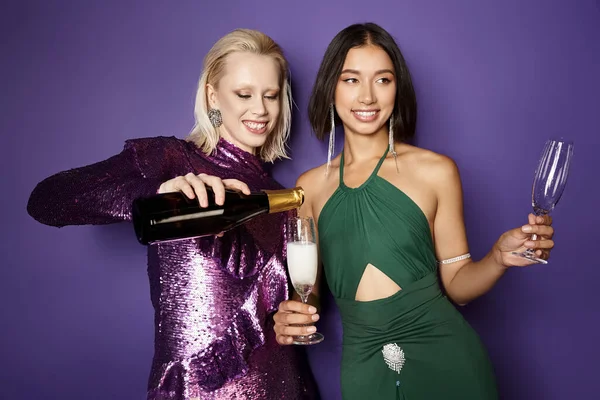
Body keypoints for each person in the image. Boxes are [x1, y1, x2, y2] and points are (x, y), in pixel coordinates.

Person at [27, 29, 317, 400]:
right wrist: (158, 193)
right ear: (213, 95)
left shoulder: (283, 200)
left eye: (271, 95)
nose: (260, 109)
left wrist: (286, 321)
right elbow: (46, 201)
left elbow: (277, 314)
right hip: (193, 391)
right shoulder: (172, 160)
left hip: (284, 387)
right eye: (243, 94)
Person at [273, 23, 555, 400]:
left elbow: (457, 285)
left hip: (447, 359)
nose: (368, 97)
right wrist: (292, 316)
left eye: (383, 80)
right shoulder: (307, 189)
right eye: (352, 80)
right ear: (331, 88)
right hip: (363, 364)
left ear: (397, 89)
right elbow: (308, 296)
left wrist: (498, 258)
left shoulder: (436, 171)